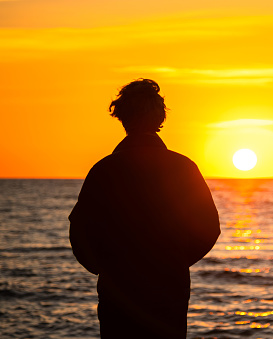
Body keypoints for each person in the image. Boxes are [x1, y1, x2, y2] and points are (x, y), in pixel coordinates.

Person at [69, 79, 220, 338]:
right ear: (160, 117)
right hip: (169, 289)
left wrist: (105, 269)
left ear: (121, 117)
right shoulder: (183, 167)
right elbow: (209, 228)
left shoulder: (104, 169)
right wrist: (174, 262)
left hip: (118, 291)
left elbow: (79, 232)